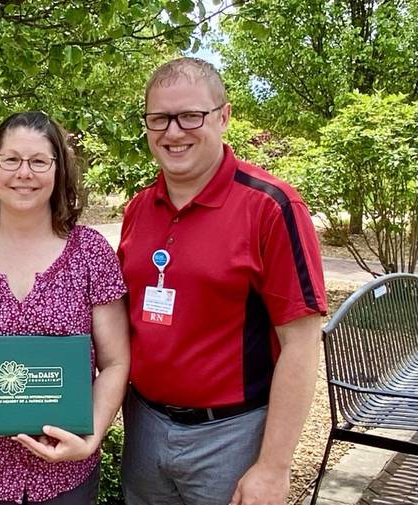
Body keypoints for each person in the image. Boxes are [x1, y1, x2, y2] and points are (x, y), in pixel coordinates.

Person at [118, 57, 328, 505]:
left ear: (224, 116)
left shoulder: (271, 207)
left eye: (190, 115)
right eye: (159, 119)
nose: (173, 133)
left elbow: (302, 343)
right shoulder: (138, 209)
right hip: (143, 427)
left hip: (231, 436)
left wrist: (273, 467)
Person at [0, 111, 130, 505]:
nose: (24, 172)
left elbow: (115, 362)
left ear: (58, 171)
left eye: (39, 161)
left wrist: (91, 437)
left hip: (66, 473)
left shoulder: (91, 252)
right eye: (11, 160)